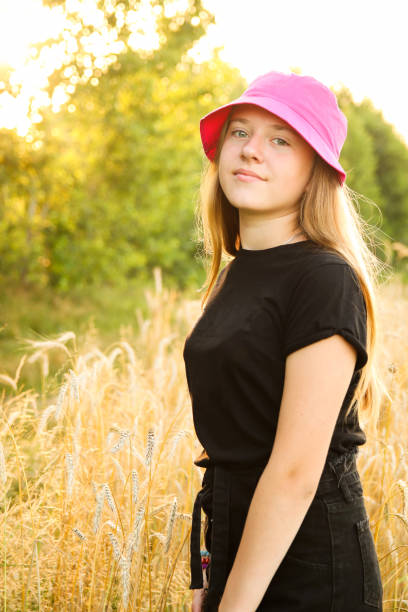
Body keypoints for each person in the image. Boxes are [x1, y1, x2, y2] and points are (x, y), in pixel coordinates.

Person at [183, 70, 386, 611]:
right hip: (239, 541)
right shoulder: (237, 272)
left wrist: (235, 604)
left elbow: (295, 471)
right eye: (240, 132)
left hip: (310, 564)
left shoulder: (322, 278)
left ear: (315, 169)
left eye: (280, 140)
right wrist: (212, 576)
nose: (251, 151)